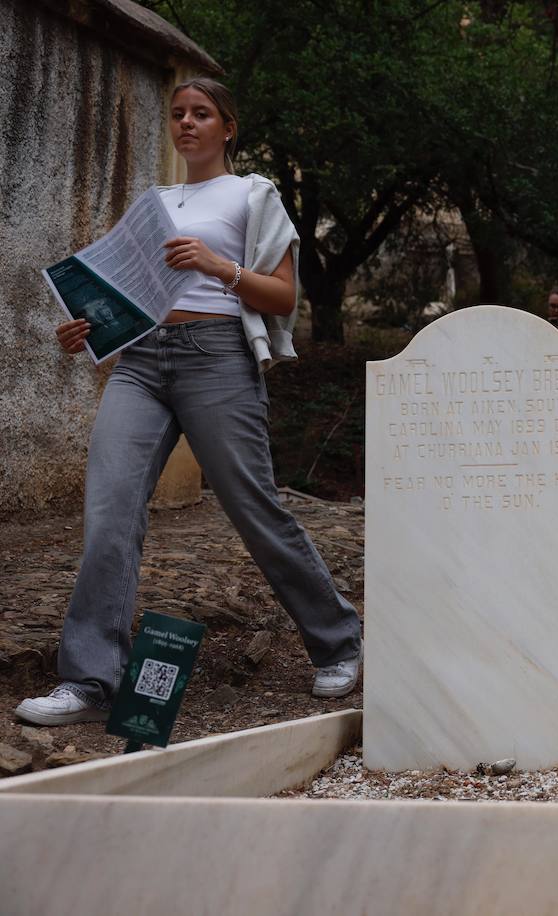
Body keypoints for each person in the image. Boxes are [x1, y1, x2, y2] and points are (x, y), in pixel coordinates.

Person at [16, 78, 362, 726]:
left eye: (201, 113)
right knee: (110, 512)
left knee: (255, 508)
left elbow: (284, 298)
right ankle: (89, 681)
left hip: (217, 359)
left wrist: (216, 264)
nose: (187, 123)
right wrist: (86, 327)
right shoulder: (154, 201)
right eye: (178, 114)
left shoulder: (251, 194)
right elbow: (125, 291)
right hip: (141, 362)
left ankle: (339, 642)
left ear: (227, 127)